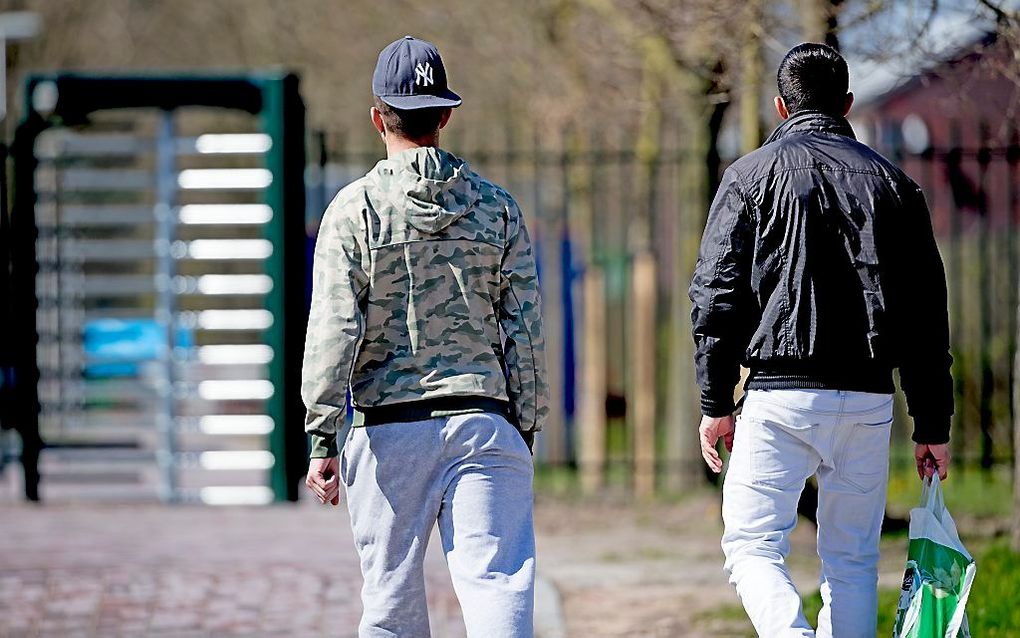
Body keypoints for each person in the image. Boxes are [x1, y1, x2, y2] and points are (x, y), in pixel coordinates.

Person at [688, 43, 953, 638]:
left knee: (752, 546)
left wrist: (714, 403)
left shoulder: (748, 177)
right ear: (849, 106)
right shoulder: (896, 187)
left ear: (780, 106)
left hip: (779, 397)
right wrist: (932, 424)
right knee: (853, 560)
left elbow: (714, 297)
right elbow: (925, 319)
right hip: (867, 399)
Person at [300, 35, 548, 638]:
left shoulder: (353, 212)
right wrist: (528, 419)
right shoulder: (498, 210)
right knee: (497, 586)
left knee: (390, 602)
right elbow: (525, 329)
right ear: (445, 115)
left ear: (377, 117)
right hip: (484, 421)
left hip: (390, 430)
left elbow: (334, 331)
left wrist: (322, 436)